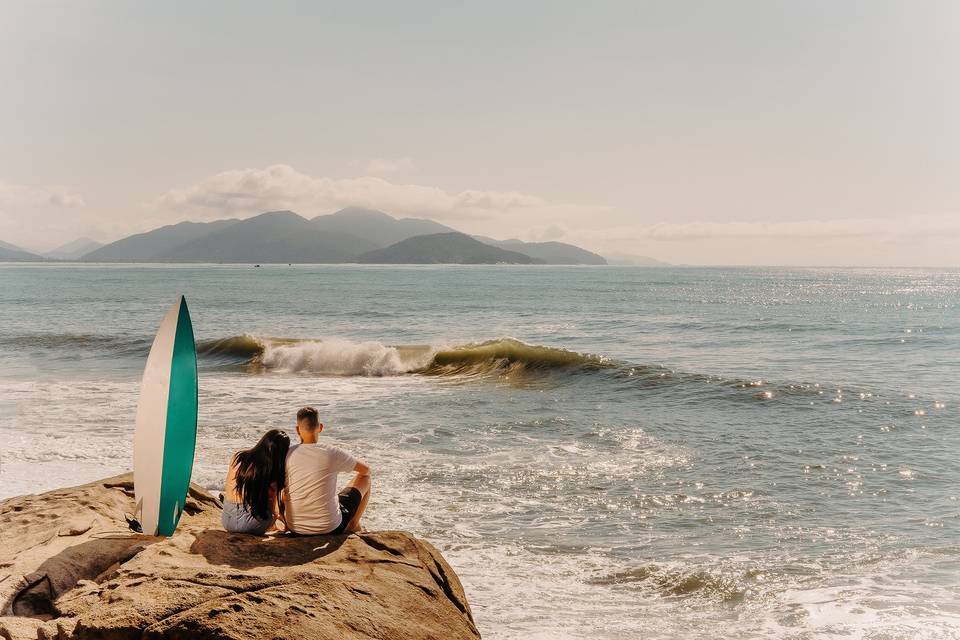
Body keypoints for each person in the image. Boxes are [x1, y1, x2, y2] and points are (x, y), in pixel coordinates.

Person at [283, 406, 371, 535]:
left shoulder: (287, 453)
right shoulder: (331, 452)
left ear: (297, 430)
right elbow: (366, 470)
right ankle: (353, 524)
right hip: (330, 527)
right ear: (321, 427)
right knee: (366, 478)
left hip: (295, 528)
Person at [221, 429, 290, 535]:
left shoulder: (238, 457)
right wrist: (278, 519)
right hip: (253, 526)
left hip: (227, 521)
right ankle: (272, 525)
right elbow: (275, 502)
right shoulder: (272, 471)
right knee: (271, 494)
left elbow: (229, 484)